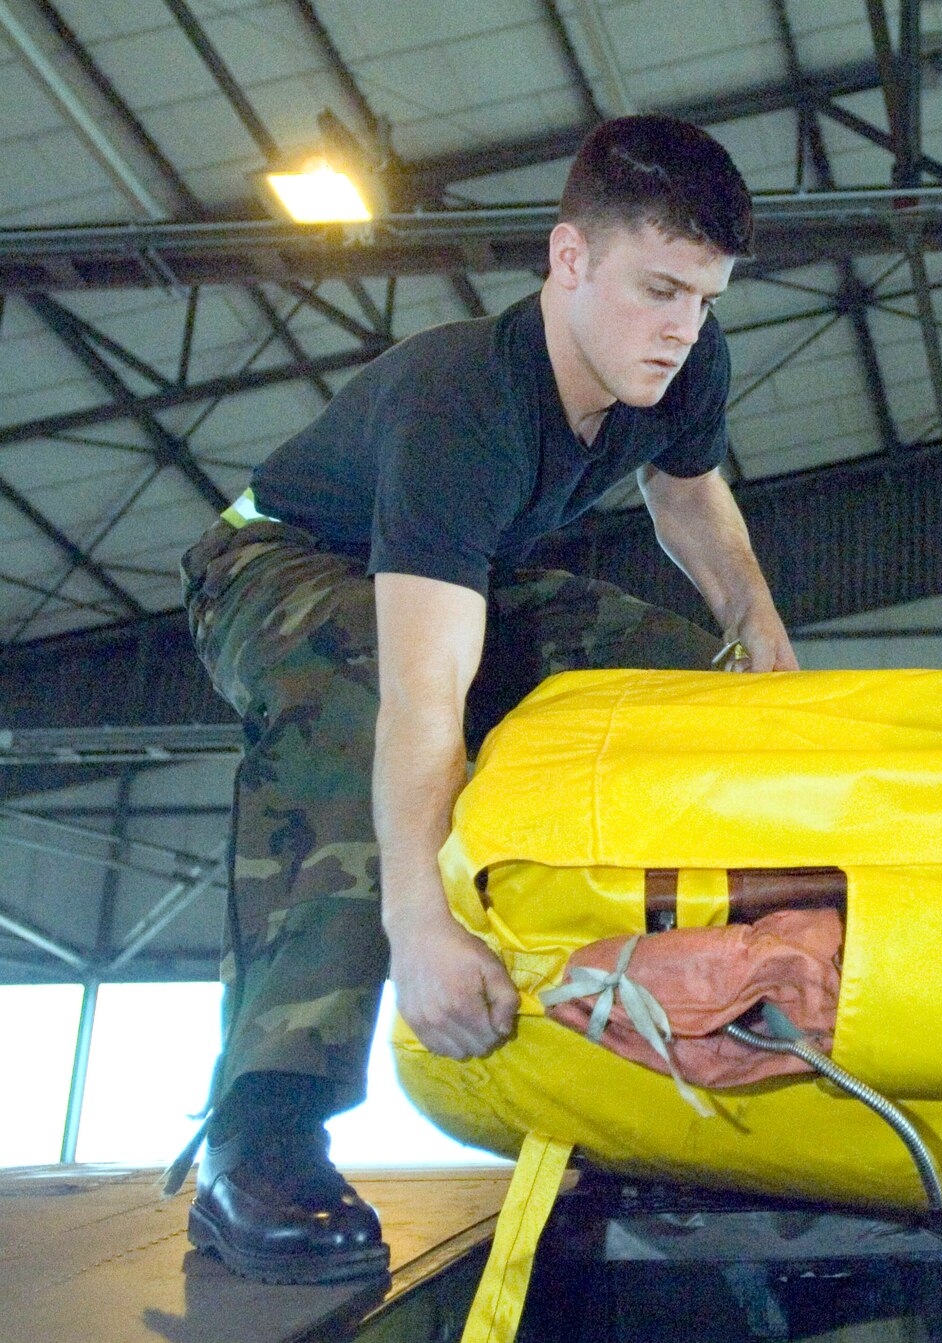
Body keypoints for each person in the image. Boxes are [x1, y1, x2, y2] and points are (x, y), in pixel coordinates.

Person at [171, 114, 798, 1284]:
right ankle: (259, 1134)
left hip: (453, 570)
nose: (679, 329)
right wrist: (420, 922)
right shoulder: (462, 405)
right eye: (656, 289)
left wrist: (755, 629)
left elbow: (691, 502)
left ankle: (652, 1037)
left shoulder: (679, 360)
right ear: (568, 259)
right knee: (366, 692)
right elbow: (422, 694)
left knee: (690, 699)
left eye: (703, 298)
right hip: (281, 569)